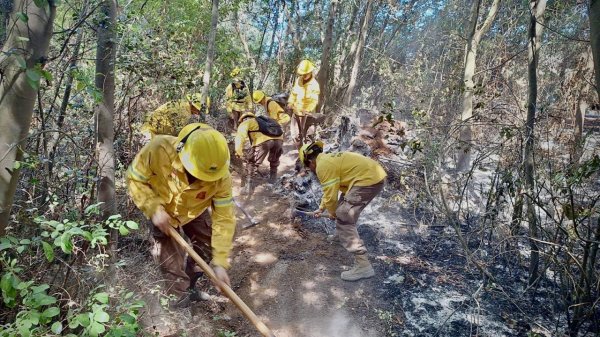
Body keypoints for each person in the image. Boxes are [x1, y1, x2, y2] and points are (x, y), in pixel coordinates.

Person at [127, 123, 235, 307]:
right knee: (171, 264)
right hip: (162, 212)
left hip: (194, 210)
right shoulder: (159, 148)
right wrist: (153, 208)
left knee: (207, 248)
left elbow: (224, 219)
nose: (202, 181)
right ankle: (179, 304)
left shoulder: (222, 177)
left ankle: (192, 286)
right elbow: (134, 178)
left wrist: (220, 262)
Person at [299, 141, 387, 281]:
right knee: (342, 210)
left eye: (308, 168)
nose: (311, 170)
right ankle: (343, 236)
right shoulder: (328, 160)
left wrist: (335, 214)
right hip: (369, 177)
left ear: (310, 161)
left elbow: (331, 197)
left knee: (344, 216)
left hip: (367, 180)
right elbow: (330, 193)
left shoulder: (323, 166)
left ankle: (363, 266)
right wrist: (322, 208)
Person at [234, 112, 283, 191]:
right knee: (274, 160)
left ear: (242, 119)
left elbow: (240, 137)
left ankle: (248, 187)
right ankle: (273, 180)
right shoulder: (264, 121)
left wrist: (238, 151)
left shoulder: (246, 123)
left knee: (252, 162)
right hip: (279, 140)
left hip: (263, 142)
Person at [140, 93, 209, 139]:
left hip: (148, 131)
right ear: (194, 106)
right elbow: (178, 134)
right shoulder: (184, 113)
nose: (198, 113)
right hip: (149, 135)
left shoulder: (181, 103)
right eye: (199, 110)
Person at [288, 59, 320, 148]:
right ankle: (300, 153)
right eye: (303, 74)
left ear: (311, 72)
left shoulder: (314, 85)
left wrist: (308, 110)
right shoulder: (298, 80)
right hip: (296, 112)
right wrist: (290, 102)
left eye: (306, 73)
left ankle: (307, 158)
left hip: (307, 114)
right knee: (295, 135)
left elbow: (314, 101)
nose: (304, 75)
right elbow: (293, 93)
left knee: (307, 136)